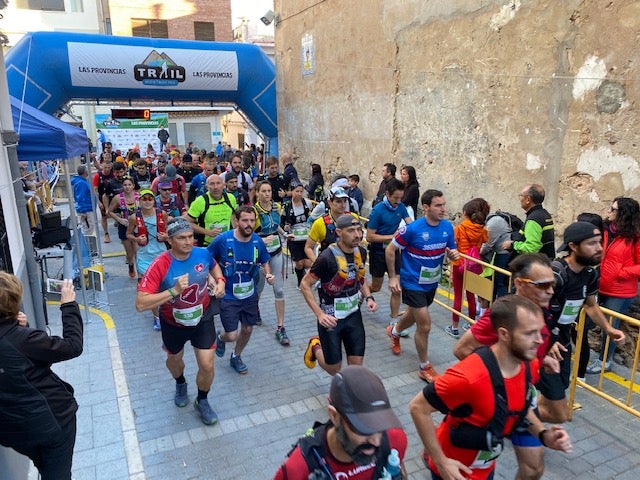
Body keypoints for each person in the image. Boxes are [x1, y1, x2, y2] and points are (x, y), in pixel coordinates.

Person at [410, 295, 572, 480]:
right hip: (452, 470)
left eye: (540, 332)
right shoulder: (468, 376)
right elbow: (418, 408)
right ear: (504, 334)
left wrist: (542, 434)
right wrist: (440, 461)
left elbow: (519, 405)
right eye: (529, 333)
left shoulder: (530, 365)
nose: (539, 341)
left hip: (485, 468)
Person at [136, 217, 225, 425]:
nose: (188, 242)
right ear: (169, 240)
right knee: (174, 361)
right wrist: (173, 291)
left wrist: (219, 282)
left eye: (191, 237)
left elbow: (214, 266)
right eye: (182, 238)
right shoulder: (160, 264)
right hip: (173, 324)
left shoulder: (202, 253)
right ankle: (180, 382)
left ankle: (202, 400)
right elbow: (140, 303)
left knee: (207, 364)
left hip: (202, 318)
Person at [0, 274, 83, 480]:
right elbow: (73, 346)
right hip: (51, 422)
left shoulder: (17, 337)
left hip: (11, 429)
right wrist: (68, 305)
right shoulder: (22, 339)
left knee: (47, 468)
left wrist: (16, 327)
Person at [274, 365, 407, 480]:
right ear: (334, 416)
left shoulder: (394, 439)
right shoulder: (297, 469)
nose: (376, 441)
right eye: (363, 428)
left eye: (379, 425)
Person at [385, 189, 459, 382]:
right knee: (424, 325)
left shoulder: (447, 227)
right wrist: (394, 277)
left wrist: (452, 255)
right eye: (438, 205)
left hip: (431, 282)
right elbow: (391, 250)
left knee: (413, 314)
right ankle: (424, 366)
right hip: (412, 281)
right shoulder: (412, 229)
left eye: (444, 204)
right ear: (426, 207)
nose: (443, 209)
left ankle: (394, 331)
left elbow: (452, 250)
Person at [300, 214, 378, 375]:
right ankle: (315, 347)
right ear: (338, 232)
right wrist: (320, 315)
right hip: (331, 318)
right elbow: (305, 285)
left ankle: (342, 395)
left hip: (353, 315)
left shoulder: (361, 253)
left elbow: (360, 278)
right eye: (351, 231)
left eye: (359, 230)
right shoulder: (326, 258)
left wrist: (369, 297)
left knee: (356, 367)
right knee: (334, 369)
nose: (357, 235)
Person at [207, 206, 274, 375]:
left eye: (252, 220)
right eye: (245, 220)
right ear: (236, 221)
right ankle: (220, 338)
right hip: (228, 295)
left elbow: (265, 259)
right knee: (231, 335)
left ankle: (236, 356)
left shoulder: (257, 241)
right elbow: (207, 260)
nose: (249, 224)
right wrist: (212, 281)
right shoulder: (223, 240)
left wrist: (268, 274)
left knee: (248, 329)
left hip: (249, 295)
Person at [586, 196, 640, 373]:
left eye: (613, 209)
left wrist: (621, 273)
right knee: (591, 319)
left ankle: (604, 362)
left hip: (619, 290)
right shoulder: (605, 230)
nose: (609, 211)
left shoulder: (635, 237)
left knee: (610, 326)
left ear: (623, 214)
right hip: (600, 284)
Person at [365, 178, 412, 325]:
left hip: (394, 251)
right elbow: (369, 236)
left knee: (396, 287)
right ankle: (364, 293)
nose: (398, 201)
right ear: (387, 194)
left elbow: (411, 225)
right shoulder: (378, 210)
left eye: (400, 197)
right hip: (378, 252)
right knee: (376, 287)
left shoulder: (401, 207)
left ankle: (394, 322)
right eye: (395, 198)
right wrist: (392, 237)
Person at [445, 198, 489, 338]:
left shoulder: (460, 228)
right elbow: (485, 240)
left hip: (459, 264)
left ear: (465, 214)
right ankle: (471, 324)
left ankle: (455, 327)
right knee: (471, 296)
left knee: (458, 296)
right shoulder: (482, 230)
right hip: (473, 265)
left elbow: (454, 244)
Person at [253, 180, 289, 345]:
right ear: (258, 193)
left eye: (269, 191)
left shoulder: (276, 207)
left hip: (276, 252)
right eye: (264, 191)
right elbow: (247, 234)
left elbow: (276, 226)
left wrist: (283, 234)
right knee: (259, 288)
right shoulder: (253, 212)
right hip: (260, 256)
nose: (267, 194)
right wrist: (262, 239)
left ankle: (280, 327)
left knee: (279, 289)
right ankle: (255, 309)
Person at [127, 189, 169, 330]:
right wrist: (137, 238)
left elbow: (169, 232)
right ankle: (157, 317)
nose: (147, 201)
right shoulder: (134, 217)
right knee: (152, 291)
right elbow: (128, 234)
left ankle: (168, 313)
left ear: (154, 200)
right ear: (140, 201)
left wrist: (165, 237)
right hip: (144, 256)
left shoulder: (162, 214)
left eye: (149, 199)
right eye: (144, 199)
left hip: (161, 255)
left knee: (165, 286)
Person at [502, 184, 555, 259]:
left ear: (528, 200)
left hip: (534, 266)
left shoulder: (534, 219)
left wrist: (512, 245)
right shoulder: (544, 214)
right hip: (544, 263)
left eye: (520, 195)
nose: (519, 198)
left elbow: (531, 248)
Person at [304, 186, 354, 263]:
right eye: (338, 201)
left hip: (349, 264)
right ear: (330, 202)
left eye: (345, 201)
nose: (343, 205)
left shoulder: (353, 218)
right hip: (329, 266)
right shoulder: (320, 223)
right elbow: (308, 247)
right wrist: (318, 264)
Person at [186, 174, 237, 247]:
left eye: (218, 183)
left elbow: (233, 215)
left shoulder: (231, 198)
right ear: (207, 187)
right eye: (212, 184)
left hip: (227, 243)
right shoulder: (200, 201)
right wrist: (208, 232)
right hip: (206, 245)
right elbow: (188, 223)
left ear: (223, 185)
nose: (215, 187)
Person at [281, 179, 313, 287]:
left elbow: (311, 218)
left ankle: (305, 281)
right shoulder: (287, 206)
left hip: (306, 238)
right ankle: (300, 280)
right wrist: (285, 227)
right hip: (294, 239)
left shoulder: (307, 203)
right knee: (299, 263)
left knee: (308, 263)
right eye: (296, 191)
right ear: (291, 192)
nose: (299, 194)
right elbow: (282, 222)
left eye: (301, 191)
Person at [108, 176, 139, 278]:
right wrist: (120, 220)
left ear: (133, 186)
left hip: (137, 227)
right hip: (124, 228)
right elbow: (110, 211)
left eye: (129, 185)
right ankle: (131, 265)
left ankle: (140, 275)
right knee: (129, 254)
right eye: (125, 185)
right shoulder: (118, 198)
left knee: (137, 252)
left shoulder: (139, 196)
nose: (127, 187)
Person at [92, 160, 114, 243]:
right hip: (102, 198)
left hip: (113, 197)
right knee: (104, 217)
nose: (107, 169)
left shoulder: (113, 174)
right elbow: (95, 190)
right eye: (105, 167)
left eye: (109, 168)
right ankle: (106, 233)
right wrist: (98, 202)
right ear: (102, 167)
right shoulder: (97, 176)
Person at [71, 164, 95, 235]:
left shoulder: (81, 182)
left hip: (87, 208)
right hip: (86, 209)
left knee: (88, 227)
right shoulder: (81, 183)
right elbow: (81, 197)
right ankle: (87, 243)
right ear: (85, 171)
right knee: (88, 228)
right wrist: (83, 211)